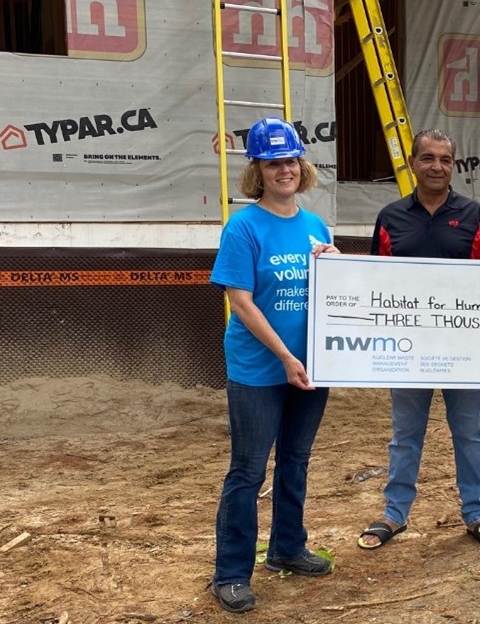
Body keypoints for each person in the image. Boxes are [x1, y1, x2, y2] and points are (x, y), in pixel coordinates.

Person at [209, 117, 339, 614]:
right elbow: (241, 301)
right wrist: (285, 357)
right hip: (260, 370)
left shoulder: (315, 225)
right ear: (257, 170)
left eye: (289, 160)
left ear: (300, 164)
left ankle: (287, 547)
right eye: (271, 162)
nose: (283, 170)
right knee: (247, 469)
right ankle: (231, 572)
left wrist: (334, 262)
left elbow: (330, 291)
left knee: (296, 460)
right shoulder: (243, 227)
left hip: (312, 366)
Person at [356, 130, 480, 550]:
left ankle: (475, 512)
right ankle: (394, 513)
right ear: (413, 162)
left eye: (444, 159)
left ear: (453, 165)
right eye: (427, 158)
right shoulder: (390, 217)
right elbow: (376, 280)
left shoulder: (476, 215)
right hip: (408, 348)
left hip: (463, 349)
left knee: (470, 433)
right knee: (405, 434)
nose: (436, 166)